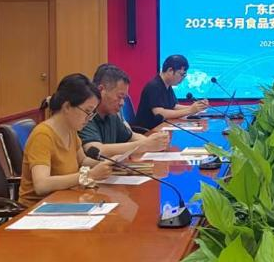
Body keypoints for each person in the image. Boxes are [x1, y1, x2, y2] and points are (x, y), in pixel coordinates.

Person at [19, 73, 113, 204]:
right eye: (87, 111)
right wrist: (89, 175)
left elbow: (82, 161)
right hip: (40, 207)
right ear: (67, 106)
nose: (89, 119)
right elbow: (41, 185)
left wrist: (109, 164)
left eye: (92, 114)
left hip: (66, 199)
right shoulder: (43, 135)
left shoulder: (71, 130)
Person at [80, 64, 172, 159]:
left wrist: (156, 142)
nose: (122, 103)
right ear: (101, 90)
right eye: (119, 97)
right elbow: (96, 149)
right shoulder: (85, 115)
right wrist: (145, 144)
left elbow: (131, 137)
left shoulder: (111, 114)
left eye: (124, 98)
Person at [131, 55, 207, 131]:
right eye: (182, 74)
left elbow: (173, 106)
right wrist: (190, 110)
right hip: (148, 131)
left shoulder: (167, 85)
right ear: (170, 70)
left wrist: (196, 107)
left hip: (161, 128)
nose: (183, 79)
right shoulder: (154, 86)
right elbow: (160, 113)